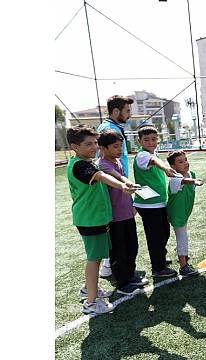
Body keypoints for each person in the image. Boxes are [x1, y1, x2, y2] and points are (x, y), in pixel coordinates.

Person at [66, 125, 136, 314]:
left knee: (96, 257)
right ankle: (90, 302)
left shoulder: (86, 162)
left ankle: (89, 288)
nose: (94, 147)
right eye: (88, 144)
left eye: (95, 143)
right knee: (94, 259)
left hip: (96, 218)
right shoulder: (80, 165)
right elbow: (102, 176)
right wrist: (122, 186)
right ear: (74, 146)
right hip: (90, 219)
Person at [97, 129, 146, 296]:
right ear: (103, 148)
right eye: (115, 146)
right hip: (114, 218)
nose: (119, 150)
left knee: (132, 246)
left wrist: (133, 205)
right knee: (118, 251)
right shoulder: (103, 164)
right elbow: (117, 177)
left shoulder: (117, 161)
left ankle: (130, 276)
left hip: (126, 213)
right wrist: (130, 183)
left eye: (121, 146)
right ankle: (122, 283)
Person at [133, 126, 180, 278]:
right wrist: (165, 168)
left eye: (153, 139)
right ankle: (158, 267)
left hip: (158, 202)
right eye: (146, 140)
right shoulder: (142, 156)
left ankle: (160, 258)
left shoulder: (152, 153)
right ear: (139, 141)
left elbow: (154, 159)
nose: (151, 142)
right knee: (155, 236)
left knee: (163, 232)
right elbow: (153, 161)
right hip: (148, 205)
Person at [96, 95, 134, 278]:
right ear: (116, 111)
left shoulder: (114, 127)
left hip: (121, 184)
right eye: (127, 111)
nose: (130, 114)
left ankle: (119, 268)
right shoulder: (108, 129)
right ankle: (110, 266)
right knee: (117, 236)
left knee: (126, 237)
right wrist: (121, 180)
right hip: (115, 187)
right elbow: (103, 163)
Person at [166, 150, 203, 276]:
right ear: (173, 167)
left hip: (185, 212)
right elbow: (183, 181)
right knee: (182, 237)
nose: (185, 163)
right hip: (176, 213)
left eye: (185, 160)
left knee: (182, 236)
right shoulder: (174, 178)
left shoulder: (191, 173)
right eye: (180, 162)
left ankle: (182, 256)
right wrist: (194, 181)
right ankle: (183, 266)